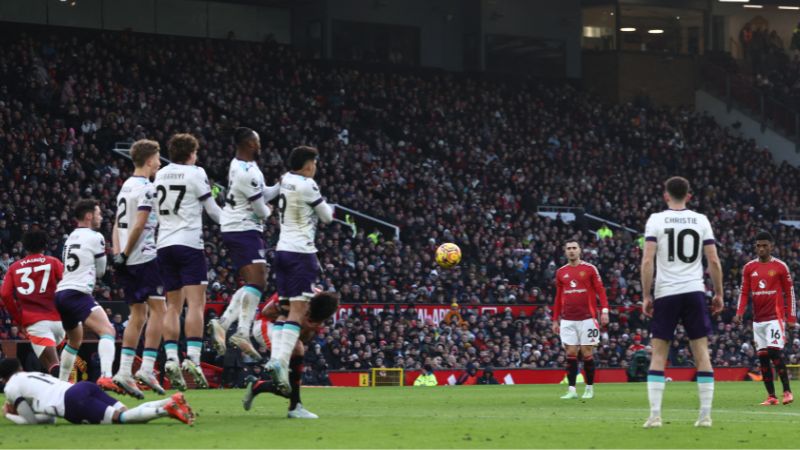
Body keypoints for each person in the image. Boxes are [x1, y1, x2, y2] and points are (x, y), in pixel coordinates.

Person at [640, 176, 723, 428]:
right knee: (701, 353)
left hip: (666, 292)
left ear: (666, 195)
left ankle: (655, 416)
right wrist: (718, 293)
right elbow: (714, 260)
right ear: (689, 195)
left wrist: (646, 295)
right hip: (694, 291)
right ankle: (705, 416)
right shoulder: (701, 220)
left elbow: (647, 260)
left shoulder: (656, 219)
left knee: (658, 354)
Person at [262, 146, 334, 396]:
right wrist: (326, 206)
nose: (315, 168)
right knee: (297, 310)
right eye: (314, 163)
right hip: (302, 253)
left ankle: (276, 358)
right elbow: (326, 217)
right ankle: (280, 361)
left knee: (284, 309)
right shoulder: (307, 185)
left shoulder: (286, 180)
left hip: (281, 250)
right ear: (308, 165)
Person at [155, 133, 222, 390]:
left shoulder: (160, 174)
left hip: (164, 245)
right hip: (188, 244)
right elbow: (213, 211)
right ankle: (193, 358)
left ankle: (171, 357)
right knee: (196, 303)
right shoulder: (196, 173)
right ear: (191, 154)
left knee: (172, 306)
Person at [208, 128, 272, 360]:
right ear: (249, 144)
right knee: (258, 280)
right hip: (243, 228)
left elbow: (263, 193)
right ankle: (241, 331)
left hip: (239, 228)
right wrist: (269, 210)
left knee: (254, 282)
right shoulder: (247, 173)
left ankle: (225, 324)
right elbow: (262, 210)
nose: (260, 145)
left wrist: (280, 187)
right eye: (257, 141)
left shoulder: (243, 166)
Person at [110, 139, 166, 398]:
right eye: (157, 158)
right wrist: (127, 251)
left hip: (125, 259)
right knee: (160, 310)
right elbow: (139, 224)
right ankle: (146, 367)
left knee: (138, 315)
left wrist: (117, 253)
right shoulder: (147, 188)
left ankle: (122, 372)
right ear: (149, 160)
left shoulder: (126, 186)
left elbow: (116, 224)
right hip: (143, 256)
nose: (159, 162)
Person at [54, 199, 121, 394]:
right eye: (98, 213)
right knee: (108, 331)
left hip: (61, 293)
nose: (101, 217)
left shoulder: (70, 237)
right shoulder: (95, 237)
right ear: (89, 216)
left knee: (74, 341)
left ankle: (61, 386)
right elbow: (101, 271)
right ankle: (106, 376)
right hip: (77, 292)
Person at [0, 358, 193, 425]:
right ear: (19, 369)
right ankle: (171, 400)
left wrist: (10, 415)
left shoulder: (11, 387)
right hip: (82, 387)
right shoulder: (30, 375)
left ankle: (167, 409)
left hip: (72, 402)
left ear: (3, 378)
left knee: (121, 419)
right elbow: (48, 418)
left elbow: (31, 422)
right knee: (126, 413)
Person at [242, 291, 340, 418]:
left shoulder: (320, 311)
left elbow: (304, 338)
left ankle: (259, 386)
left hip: (284, 328)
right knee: (297, 351)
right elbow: (266, 312)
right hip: (265, 324)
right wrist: (298, 317)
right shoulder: (298, 294)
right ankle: (295, 406)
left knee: (289, 384)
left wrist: (309, 327)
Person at [734, 231, 796, 405]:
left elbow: (789, 293)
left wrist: (791, 317)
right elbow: (744, 292)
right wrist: (739, 312)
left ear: (771, 246)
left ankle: (787, 392)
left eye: (764, 245)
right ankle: (772, 396)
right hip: (758, 320)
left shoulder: (780, 267)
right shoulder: (749, 268)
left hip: (775, 318)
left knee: (774, 352)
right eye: (758, 245)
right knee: (762, 357)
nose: (761, 248)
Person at [0, 230, 64, 376]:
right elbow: (67, 286)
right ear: (45, 245)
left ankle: (68, 393)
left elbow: (5, 294)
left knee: (53, 365)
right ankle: (62, 393)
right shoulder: (54, 262)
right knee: (54, 365)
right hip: (58, 320)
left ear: (24, 246)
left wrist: (18, 318)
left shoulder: (15, 267)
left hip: (35, 322)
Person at [552, 240, 609, 399]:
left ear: (580, 250)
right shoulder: (561, 272)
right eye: (568, 248)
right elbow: (558, 298)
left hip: (588, 319)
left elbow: (601, 291)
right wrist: (555, 319)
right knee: (570, 353)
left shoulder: (590, 269)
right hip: (568, 320)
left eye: (574, 248)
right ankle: (572, 390)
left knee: (586, 353)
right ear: (565, 251)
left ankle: (589, 388)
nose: (571, 251)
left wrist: (604, 311)